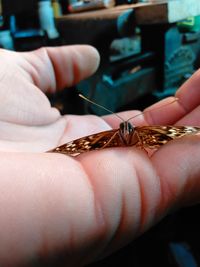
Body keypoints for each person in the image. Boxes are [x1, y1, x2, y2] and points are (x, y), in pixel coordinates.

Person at [0, 45, 200, 266]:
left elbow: (166, 134)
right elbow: (81, 144)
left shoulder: (144, 134)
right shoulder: (108, 137)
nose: (126, 132)